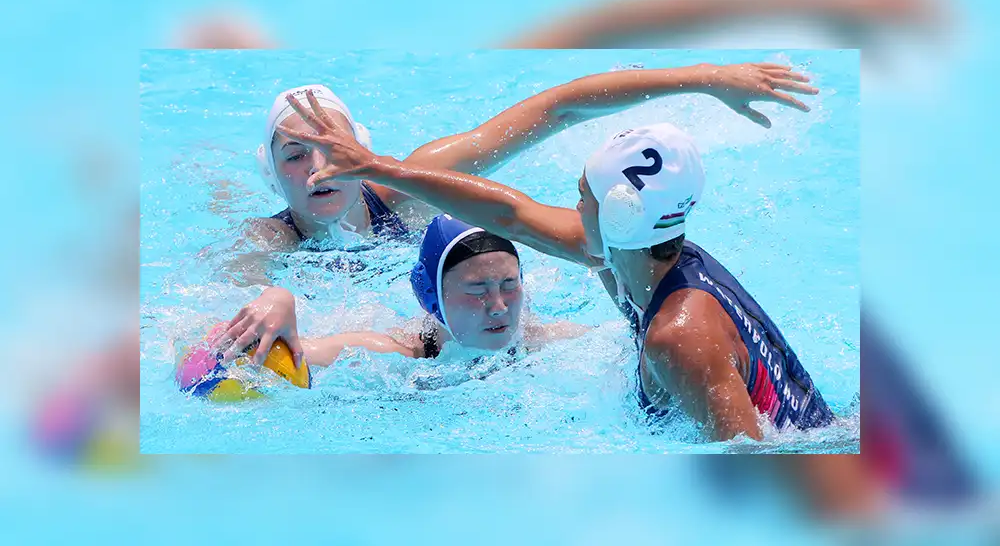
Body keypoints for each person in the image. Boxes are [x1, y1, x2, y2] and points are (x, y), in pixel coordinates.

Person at [272, 65, 833, 441]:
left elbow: (760, 474)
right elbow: (508, 213)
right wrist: (378, 168)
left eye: (581, 192)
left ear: (619, 214)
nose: (573, 201)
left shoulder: (679, 335)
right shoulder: (634, 252)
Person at [222, 62, 818, 285]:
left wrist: (705, 76)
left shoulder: (416, 183)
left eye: (332, 143)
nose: (319, 166)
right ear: (273, 174)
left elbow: (557, 107)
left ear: (363, 148)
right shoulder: (267, 243)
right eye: (294, 153)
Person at [214, 215, 587, 367]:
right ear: (430, 297)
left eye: (510, 285)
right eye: (477, 290)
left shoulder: (551, 343)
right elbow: (289, 354)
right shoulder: (395, 353)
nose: (498, 306)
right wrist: (278, 299)